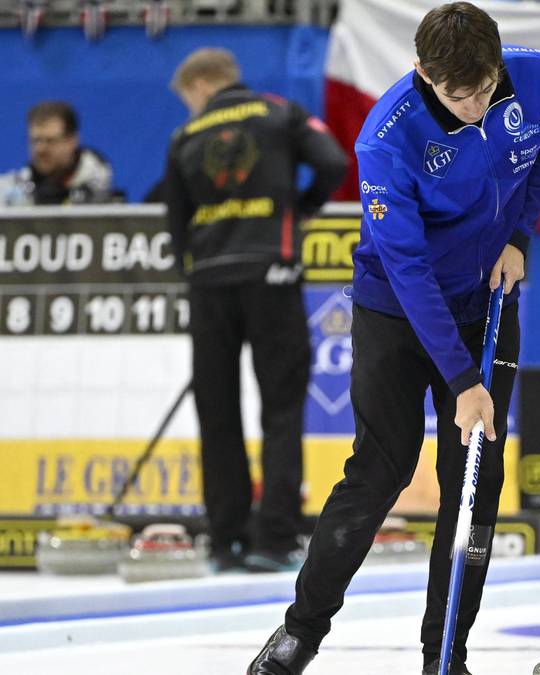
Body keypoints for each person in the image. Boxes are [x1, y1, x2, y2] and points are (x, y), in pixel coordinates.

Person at [248, 3, 540, 674]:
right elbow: (409, 269)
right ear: (424, 73)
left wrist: (519, 235)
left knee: (476, 484)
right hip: (400, 308)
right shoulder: (386, 138)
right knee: (380, 470)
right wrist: (463, 381)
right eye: (461, 95)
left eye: (486, 88)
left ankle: (444, 653)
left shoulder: (536, 78)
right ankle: (299, 633)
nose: (479, 107)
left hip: (487, 295)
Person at [163, 48, 348, 574]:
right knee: (281, 409)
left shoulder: (185, 137)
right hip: (272, 273)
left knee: (216, 413)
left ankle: (225, 542)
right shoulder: (280, 112)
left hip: (211, 282)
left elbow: (175, 224)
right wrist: (303, 210)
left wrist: (196, 275)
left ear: (200, 85)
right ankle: (274, 538)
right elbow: (333, 162)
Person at [0, 101, 117, 206]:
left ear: (72, 141)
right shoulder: (14, 189)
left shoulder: (99, 193)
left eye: (50, 141)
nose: (40, 149)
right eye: (35, 141)